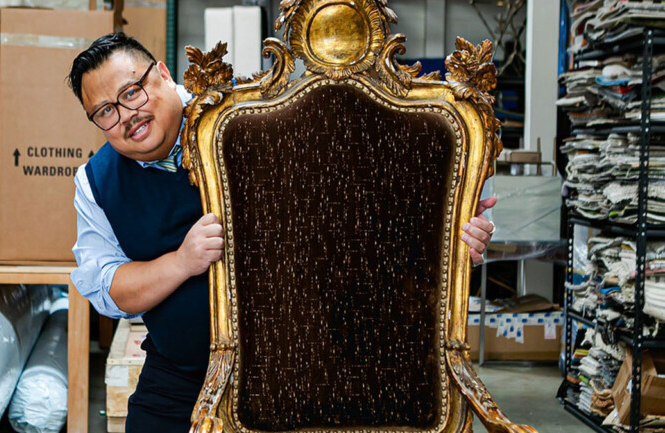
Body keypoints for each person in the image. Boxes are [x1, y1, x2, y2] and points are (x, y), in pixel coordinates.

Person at [67, 33, 498, 433]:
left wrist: (450, 225)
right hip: (184, 376)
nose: (128, 116)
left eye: (131, 92)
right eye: (106, 111)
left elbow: (370, 205)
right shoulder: (97, 183)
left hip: (315, 366)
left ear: (162, 73)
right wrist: (181, 262)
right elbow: (109, 287)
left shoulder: (256, 118)